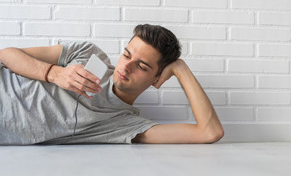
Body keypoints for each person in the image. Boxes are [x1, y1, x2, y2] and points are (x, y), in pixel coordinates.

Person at [0, 24, 224, 145]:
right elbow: (6, 55)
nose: (125, 67)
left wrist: (181, 68)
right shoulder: (88, 53)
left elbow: (209, 132)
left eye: (142, 66)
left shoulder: (124, 124)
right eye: (126, 55)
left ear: (157, 79)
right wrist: (54, 73)